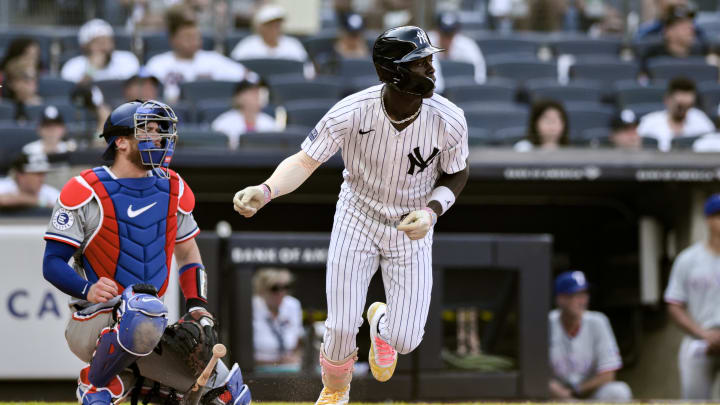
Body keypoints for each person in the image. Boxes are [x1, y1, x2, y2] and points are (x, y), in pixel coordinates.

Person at [232, 26, 469, 405]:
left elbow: (458, 171)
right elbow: (305, 160)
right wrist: (265, 190)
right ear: (392, 72)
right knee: (340, 327)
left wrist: (432, 211)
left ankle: (381, 325)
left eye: (429, 59)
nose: (431, 68)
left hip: (411, 223)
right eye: (420, 62)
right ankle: (336, 390)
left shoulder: (450, 118)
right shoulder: (352, 110)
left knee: (406, 339)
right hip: (357, 215)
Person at [41, 100, 251, 404]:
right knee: (143, 311)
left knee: (232, 395)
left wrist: (196, 304)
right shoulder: (85, 189)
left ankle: (131, 383)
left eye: (160, 131)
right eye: (148, 131)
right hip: (94, 320)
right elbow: (52, 263)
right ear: (121, 142)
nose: (158, 138)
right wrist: (88, 289)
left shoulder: (174, 187)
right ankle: (98, 383)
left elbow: (189, 255)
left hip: (152, 325)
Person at [665, 193, 720, 399]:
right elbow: (674, 304)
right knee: (694, 400)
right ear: (708, 220)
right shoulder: (688, 259)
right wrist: (704, 334)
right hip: (699, 339)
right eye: (718, 216)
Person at [549, 271, 633, 401]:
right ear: (560, 299)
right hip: (556, 397)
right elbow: (533, 372)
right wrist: (556, 391)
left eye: (583, 294)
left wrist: (576, 390)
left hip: (589, 395)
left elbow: (608, 374)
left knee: (619, 391)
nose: (581, 301)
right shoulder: (546, 324)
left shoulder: (598, 321)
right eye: (574, 295)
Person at [145, 10, 248, 103]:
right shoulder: (157, 63)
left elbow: (249, 78)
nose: (193, 41)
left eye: (196, 36)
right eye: (187, 37)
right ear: (172, 39)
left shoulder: (214, 59)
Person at [230, 4, 314, 78]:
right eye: (270, 25)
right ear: (260, 27)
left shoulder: (293, 45)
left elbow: (308, 70)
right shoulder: (246, 45)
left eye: (277, 24)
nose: (274, 29)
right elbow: (233, 69)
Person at [637, 77, 715, 152]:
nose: (684, 110)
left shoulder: (700, 120)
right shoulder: (650, 122)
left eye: (688, 106)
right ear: (667, 100)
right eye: (680, 106)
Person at [252, 268, 304, 372]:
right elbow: (242, 357)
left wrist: (297, 358)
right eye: (275, 288)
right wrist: (278, 362)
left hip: (289, 370)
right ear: (262, 290)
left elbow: (299, 342)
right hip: (258, 371)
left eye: (286, 287)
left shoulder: (292, 305)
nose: (281, 293)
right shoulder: (251, 307)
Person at [61, 19, 140, 84]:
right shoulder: (72, 66)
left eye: (107, 41)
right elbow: (76, 95)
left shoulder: (127, 60)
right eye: (97, 42)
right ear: (85, 47)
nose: (104, 46)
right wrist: (91, 70)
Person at [211, 74, 278, 149]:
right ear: (238, 97)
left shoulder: (271, 125)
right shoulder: (222, 123)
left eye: (260, 91)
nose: (257, 95)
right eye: (252, 91)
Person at [641, 6, 707, 74]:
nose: (690, 27)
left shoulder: (700, 55)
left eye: (691, 23)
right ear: (668, 31)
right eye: (683, 24)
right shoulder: (652, 57)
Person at [428, 11, 487, 84]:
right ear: (436, 31)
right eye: (444, 34)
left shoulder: (467, 46)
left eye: (450, 34)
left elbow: (480, 76)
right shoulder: (426, 43)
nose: (447, 39)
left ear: (457, 32)